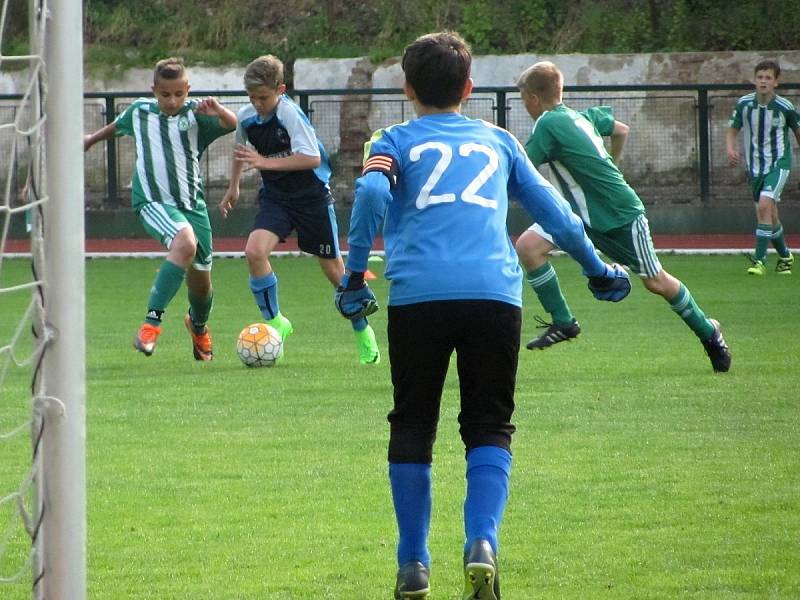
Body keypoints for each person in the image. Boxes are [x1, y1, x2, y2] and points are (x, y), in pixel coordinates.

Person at [335, 32, 631, 600]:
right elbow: (558, 213)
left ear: (407, 88)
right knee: (489, 426)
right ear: (469, 89)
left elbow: (372, 194)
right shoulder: (499, 142)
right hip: (495, 297)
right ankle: (482, 544)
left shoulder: (391, 139)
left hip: (420, 296)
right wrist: (597, 268)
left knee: (414, 424)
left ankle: (413, 565)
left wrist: (353, 277)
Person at [515, 60, 732, 373]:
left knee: (656, 282)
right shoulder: (581, 117)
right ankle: (564, 321)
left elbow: (522, 166)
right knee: (528, 247)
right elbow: (620, 129)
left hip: (619, 215)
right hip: (579, 214)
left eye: (524, 100)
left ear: (534, 99)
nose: (525, 107)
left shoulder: (547, 124)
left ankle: (709, 332)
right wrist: (613, 163)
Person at [220, 55, 380, 364]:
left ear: (280, 90)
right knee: (254, 252)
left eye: (263, 97)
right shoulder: (247, 117)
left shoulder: (290, 114)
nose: (257, 103)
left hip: (311, 198)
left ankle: (362, 331)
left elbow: (311, 159)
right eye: (252, 97)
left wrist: (265, 162)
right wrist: (234, 186)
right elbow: (241, 152)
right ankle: (277, 321)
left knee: (335, 271)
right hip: (277, 198)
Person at [84, 57, 236, 360]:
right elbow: (118, 126)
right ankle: (150, 326)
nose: (172, 100)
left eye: (179, 94)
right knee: (184, 242)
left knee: (202, 286)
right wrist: (91, 139)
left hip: (193, 205)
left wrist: (218, 110)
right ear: (155, 90)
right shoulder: (140, 111)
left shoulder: (196, 115)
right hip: (153, 201)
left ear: (188, 90)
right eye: (165, 94)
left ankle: (198, 326)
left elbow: (231, 124)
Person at [726, 59, 800, 276]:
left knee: (764, 205)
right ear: (754, 80)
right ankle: (785, 257)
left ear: (776, 82)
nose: (763, 81)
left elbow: (797, 132)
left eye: (768, 78)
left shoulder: (785, 107)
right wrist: (730, 149)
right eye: (760, 77)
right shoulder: (745, 104)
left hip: (779, 163)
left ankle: (759, 261)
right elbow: (732, 129)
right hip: (755, 167)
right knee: (771, 214)